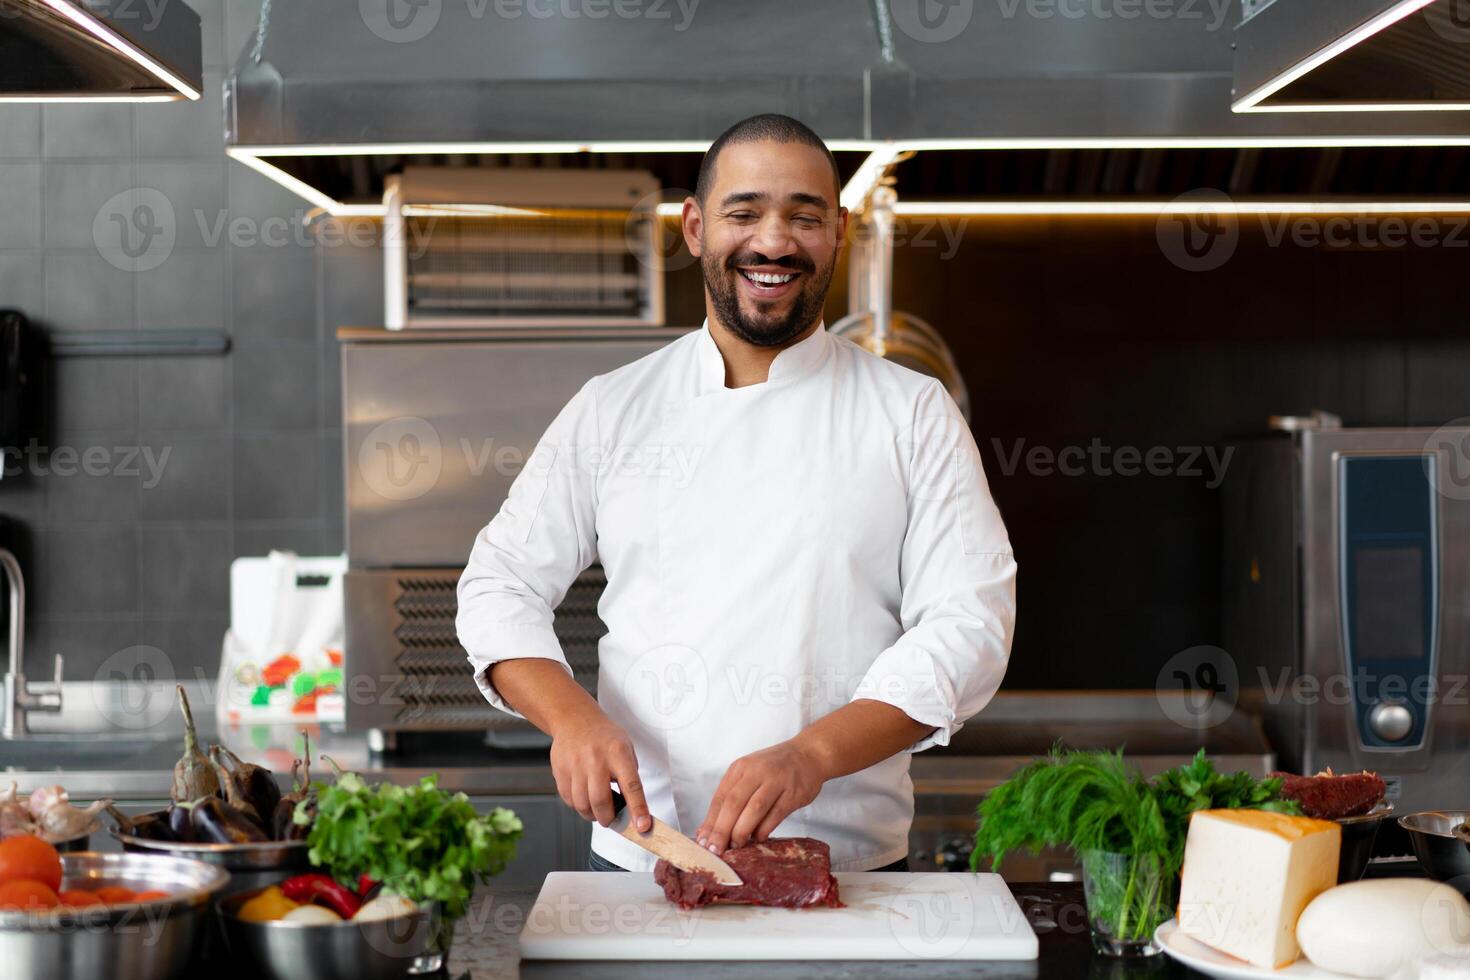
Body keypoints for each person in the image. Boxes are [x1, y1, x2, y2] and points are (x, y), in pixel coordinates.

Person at [457, 113, 1016, 873]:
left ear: (839, 231)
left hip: (847, 869)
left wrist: (812, 754)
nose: (775, 242)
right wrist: (573, 719)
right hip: (644, 853)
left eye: (804, 215)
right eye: (744, 212)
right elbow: (500, 583)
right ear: (694, 227)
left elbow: (970, 623)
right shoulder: (613, 406)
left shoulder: (912, 412)